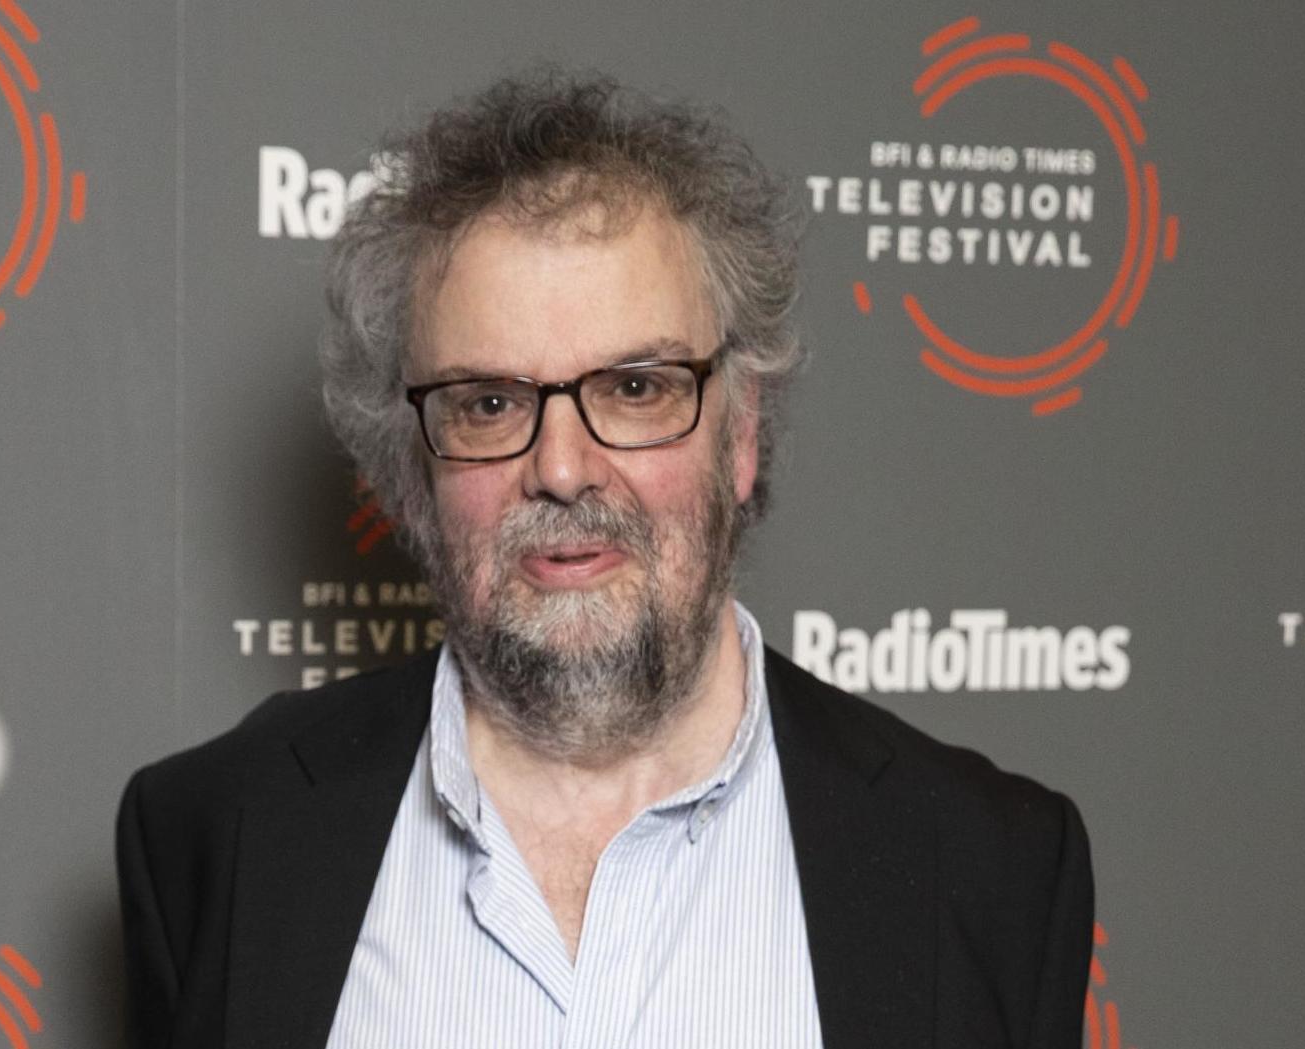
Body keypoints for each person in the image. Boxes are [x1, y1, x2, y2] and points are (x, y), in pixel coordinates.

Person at [116, 72, 1093, 1049]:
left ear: (740, 433)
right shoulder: (218, 829)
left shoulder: (987, 865)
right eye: (489, 402)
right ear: (413, 466)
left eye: (635, 386)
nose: (561, 467)